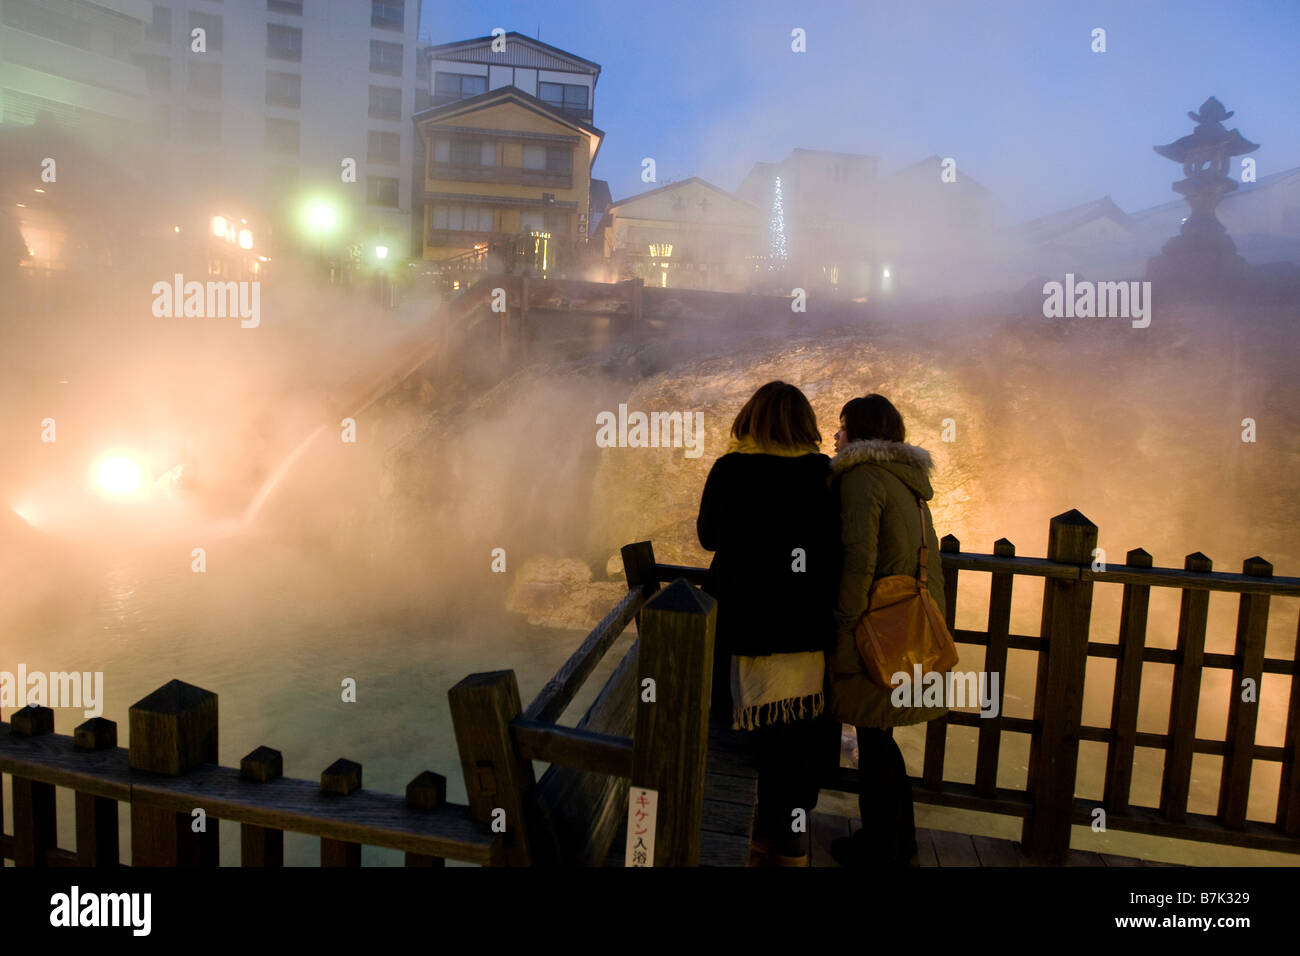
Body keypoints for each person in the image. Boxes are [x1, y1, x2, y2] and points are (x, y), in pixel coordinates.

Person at [697, 381, 841, 866]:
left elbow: (709, 536)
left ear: (750, 419)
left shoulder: (731, 469)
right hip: (805, 627)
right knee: (796, 744)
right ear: (805, 424)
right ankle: (788, 844)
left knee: (734, 735)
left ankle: (730, 841)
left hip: (743, 624)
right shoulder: (824, 473)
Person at [827, 394, 947, 867]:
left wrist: (843, 622)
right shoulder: (910, 484)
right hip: (905, 623)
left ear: (860, 433)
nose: (835, 435)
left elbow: (859, 561)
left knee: (875, 740)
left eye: (841, 427)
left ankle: (880, 850)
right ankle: (900, 844)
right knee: (882, 739)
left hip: (873, 628)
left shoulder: (862, 478)